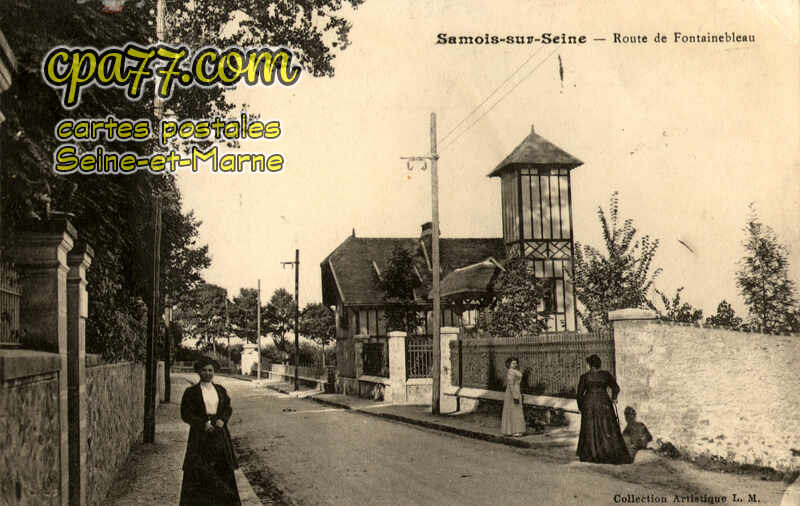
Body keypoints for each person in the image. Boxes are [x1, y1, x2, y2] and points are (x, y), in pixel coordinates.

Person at [179, 357, 241, 506]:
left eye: (210, 370)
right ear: (198, 372)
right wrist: (202, 424)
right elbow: (185, 414)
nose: (207, 373)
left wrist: (222, 420)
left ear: (214, 372)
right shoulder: (191, 392)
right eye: (204, 370)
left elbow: (228, 408)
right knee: (200, 470)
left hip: (219, 434)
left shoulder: (220, 390)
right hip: (200, 436)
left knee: (222, 470)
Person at [576, 354, 633, 464]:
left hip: (589, 404)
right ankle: (608, 452)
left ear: (590, 365)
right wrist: (614, 398)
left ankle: (591, 454)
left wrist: (581, 407)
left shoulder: (584, 377)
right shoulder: (605, 375)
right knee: (606, 427)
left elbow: (579, 395)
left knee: (590, 429)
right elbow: (616, 388)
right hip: (604, 403)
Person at [500, 357, 526, 437]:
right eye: (513, 363)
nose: (515, 364)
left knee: (515, 410)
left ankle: (511, 430)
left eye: (516, 363)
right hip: (512, 392)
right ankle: (515, 431)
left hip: (516, 390)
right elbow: (511, 385)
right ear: (509, 364)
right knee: (515, 410)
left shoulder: (514, 371)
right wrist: (515, 396)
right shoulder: (511, 372)